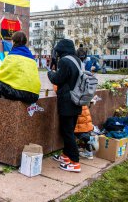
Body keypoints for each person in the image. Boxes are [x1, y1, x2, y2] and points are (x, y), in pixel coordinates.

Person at [47, 39, 83, 172]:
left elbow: (57, 79)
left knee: (67, 132)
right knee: (69, 130)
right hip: (77, 99)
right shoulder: (77, 60)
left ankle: (75, 162)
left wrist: (50, 73)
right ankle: (66, 156)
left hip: (67, 101)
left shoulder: (64, 61)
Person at [0, 31, 40, 104]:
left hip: (19, 94)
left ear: (13, 42)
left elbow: (0, 76)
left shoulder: (11, 56)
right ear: (25, 42)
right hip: (34, 96)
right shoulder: (32, 59)